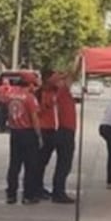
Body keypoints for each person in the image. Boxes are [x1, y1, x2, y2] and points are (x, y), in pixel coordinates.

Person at [5, 73, 43, 205]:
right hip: (28, 133)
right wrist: (39, 135)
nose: (35, 87)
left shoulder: (11, 95)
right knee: (30, 165)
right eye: (34, 85)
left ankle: (11, 195)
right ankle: (28, 195)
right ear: (30, 84)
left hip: (14, 132)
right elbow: (34, 117)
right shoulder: (30, 98)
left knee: (14, 165)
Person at [49, 65, 79, 204]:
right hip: (65, 131)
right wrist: (78, 61)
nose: (67, 81)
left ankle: (58, 191)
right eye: (63, 79)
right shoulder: (62, 92)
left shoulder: (62, 93)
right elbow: (73, 74)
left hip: (66, 130)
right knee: (64, 164)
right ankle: (58, 193)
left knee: (64, 164)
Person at [36, 69, 59, 199]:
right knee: (39, 161)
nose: (57, 80)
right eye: (54, 78)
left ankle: (40, 186)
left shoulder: (55, 91)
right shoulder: (40, 93)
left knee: (44, 161)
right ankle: (36, 187)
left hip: (52, 128)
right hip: (43, 129)